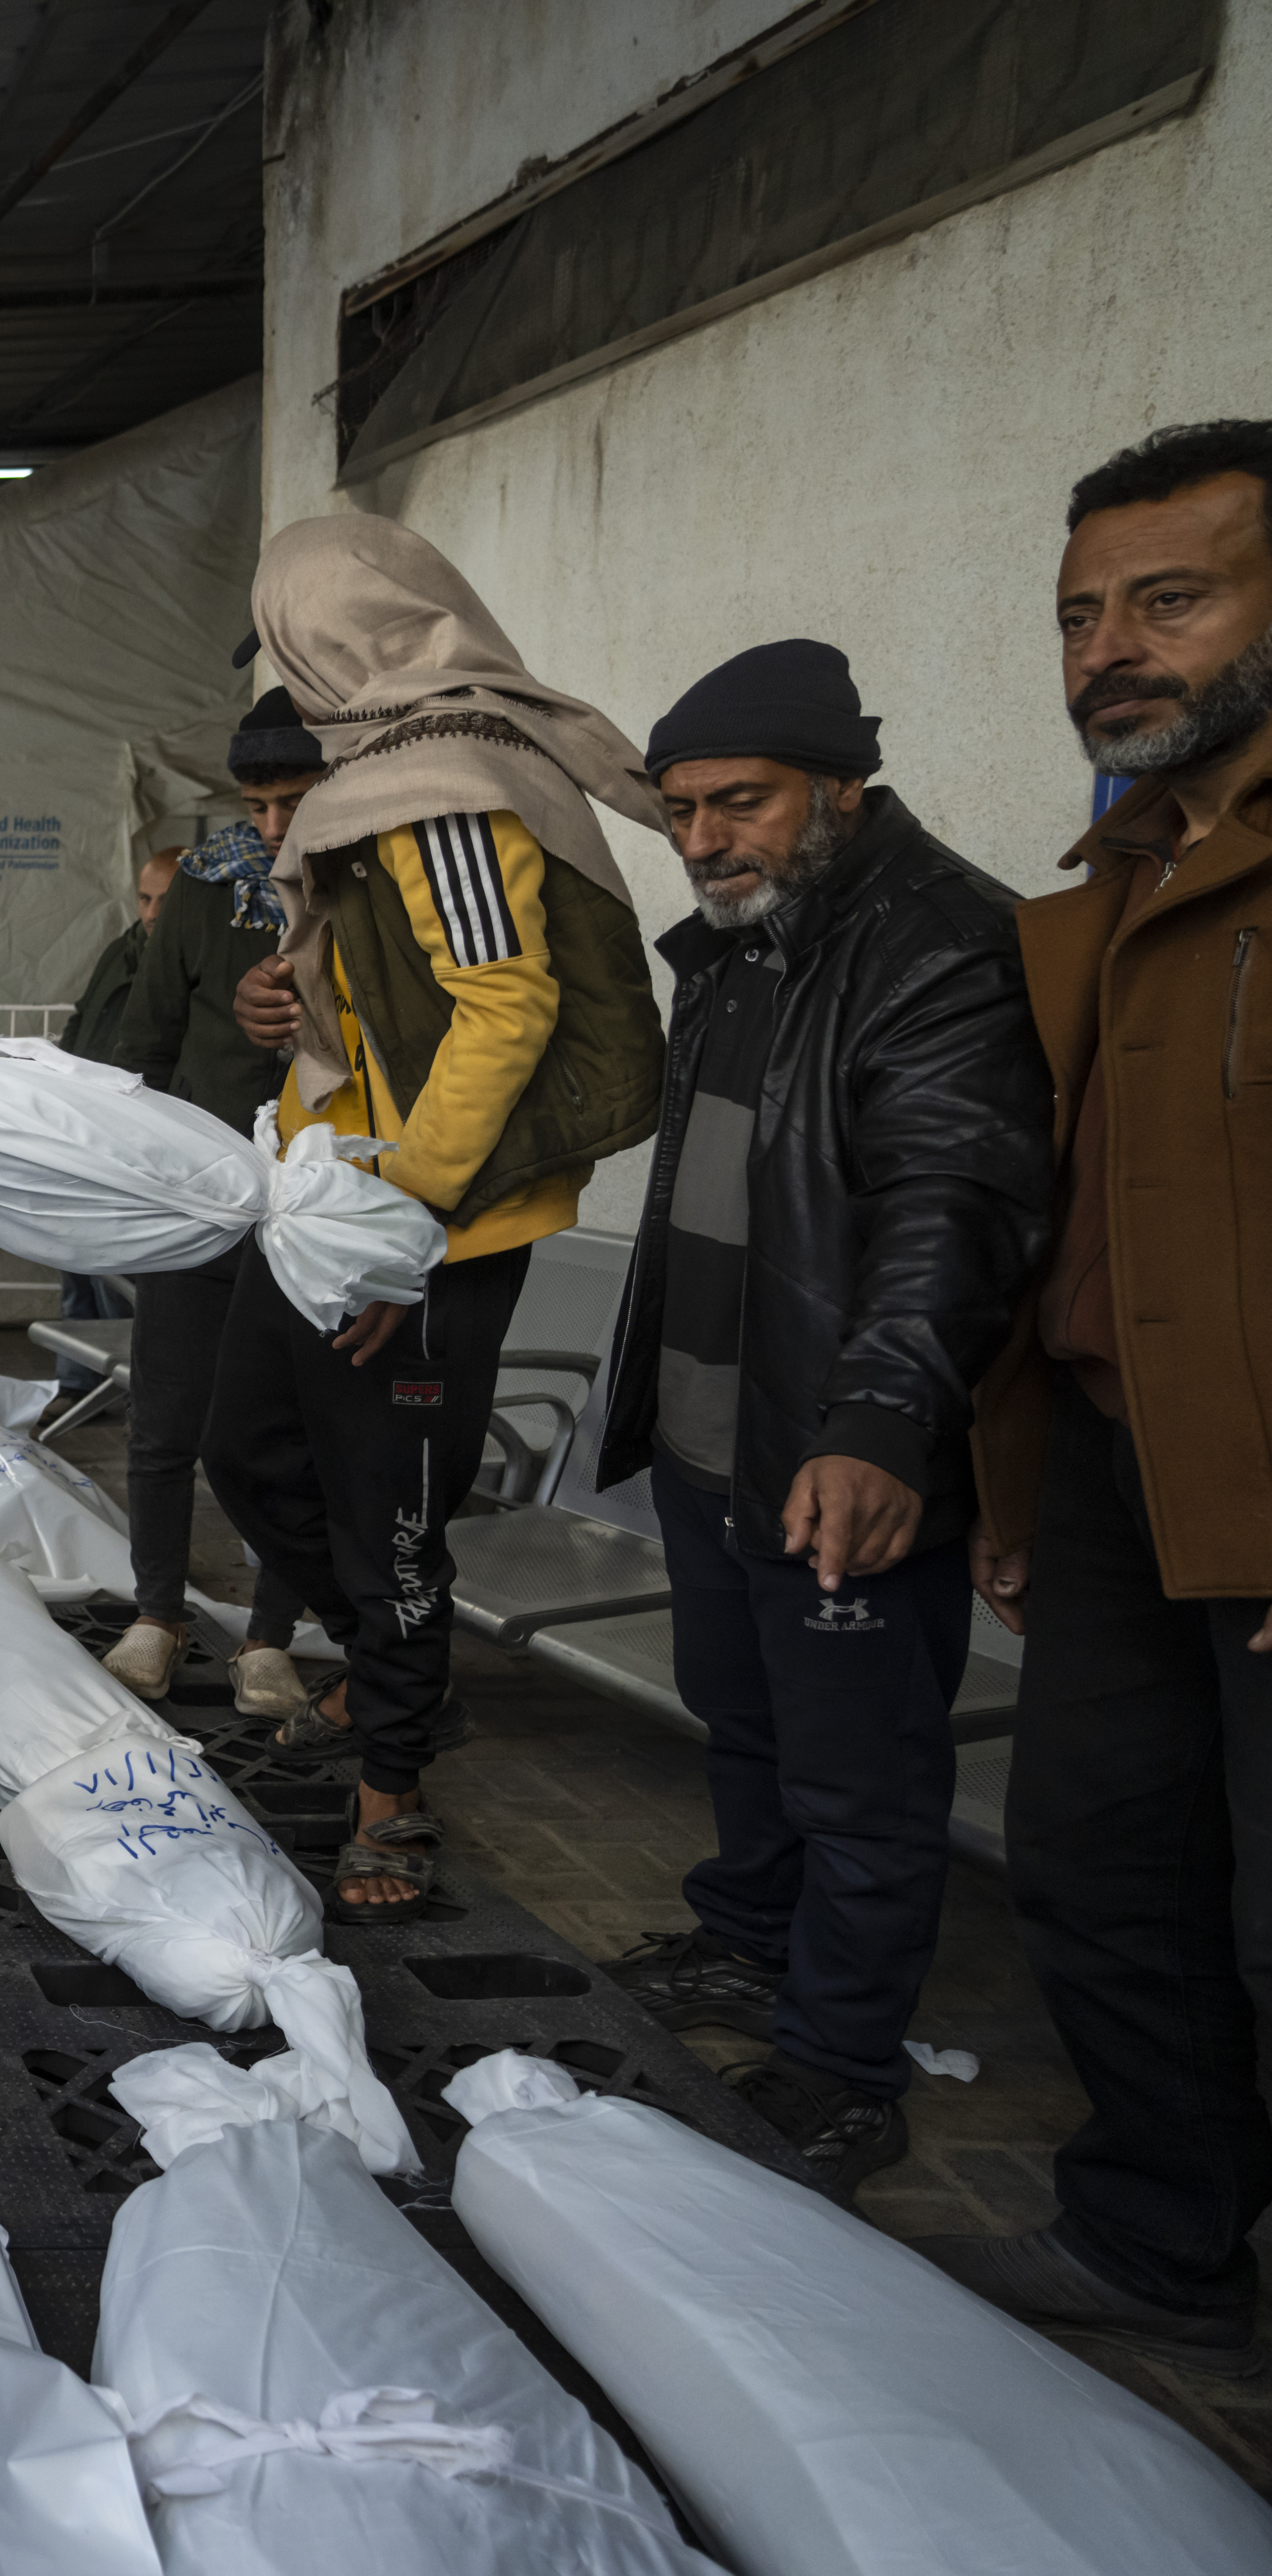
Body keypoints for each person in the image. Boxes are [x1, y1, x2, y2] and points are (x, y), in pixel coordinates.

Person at [584, 641, 1052, 2197]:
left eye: (744, 802)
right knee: (748, 1719)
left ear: (843, 790)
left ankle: (845, 2065)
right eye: (682, 811)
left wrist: (878, 1423)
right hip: (725, 1445)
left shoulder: (941, 945)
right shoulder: (738, 946)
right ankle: (745, 1935)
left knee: (862, 1777)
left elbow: (951, 1205)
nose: (708, 838)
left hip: (840, 1453)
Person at [919, 419, 1272, 2372]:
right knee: (1095, 1864)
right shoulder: (1109, 889)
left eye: (1170, 599)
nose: (1107, 650)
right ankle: (1154, 2237)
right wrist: (1012, 1472)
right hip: (1118, 1475)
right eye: (1076, 616)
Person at [216, 516, 668, 1925]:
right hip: (335, 1200)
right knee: (252, 1452)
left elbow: (506, 1000)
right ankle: (375, 1675)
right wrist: (277, 1010)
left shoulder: (442, 782)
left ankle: (394, 1786)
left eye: (285, 640)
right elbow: (378, 999)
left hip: (432, 1228)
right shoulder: (367, 779)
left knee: (393, 1517)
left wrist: (397, 1218)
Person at [92, 691, 325, 1719]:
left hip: (320, 1206)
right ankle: (156, 1611)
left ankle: (271, 1635)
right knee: (167, 1412)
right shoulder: (201, 886)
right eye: (257, 803)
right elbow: (144, 1042)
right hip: (195, 1199)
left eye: (296, 800)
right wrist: (147, 1168)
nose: (274, 827)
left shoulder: (379, 885)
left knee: (292, 1432)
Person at [41, 850, 180, 1393]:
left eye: (164, 902)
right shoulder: (124, 950)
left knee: (111, 1269)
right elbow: (83, 1017)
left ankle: (120, 1389)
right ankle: (78, 1384)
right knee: (71, 1257)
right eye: (144, 898)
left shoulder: (180, 958)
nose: (150, 912)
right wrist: (59, 1078)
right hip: (85, 1124)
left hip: (132, 1134)